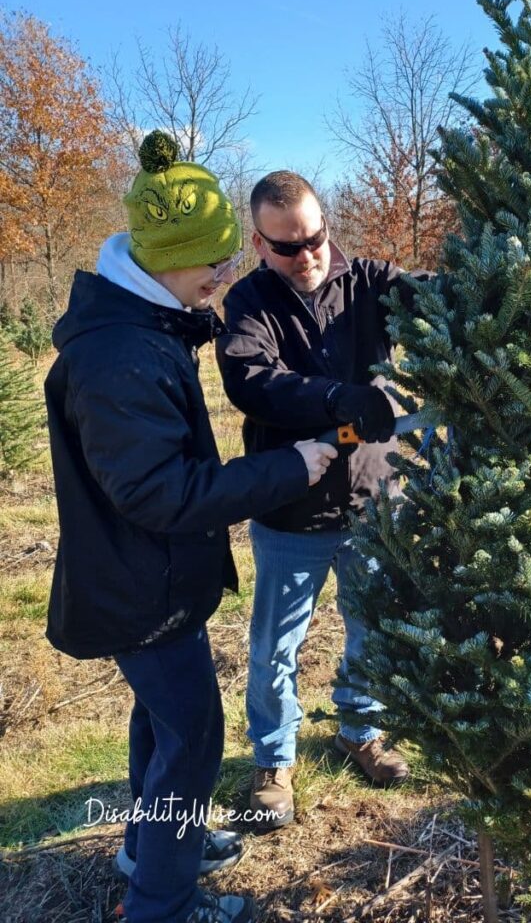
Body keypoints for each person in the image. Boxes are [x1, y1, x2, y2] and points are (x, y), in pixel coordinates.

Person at [45, 134, 337, 923]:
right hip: (142, 589)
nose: (226, 275)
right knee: (193, 743)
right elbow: (160, 491)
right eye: (214, 262)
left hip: (151, 580)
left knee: (163, 724)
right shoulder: (119, 359)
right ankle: (162, 905)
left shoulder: (143, 328)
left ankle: (152, 844)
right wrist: (292, 466)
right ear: (167, 261)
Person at [216, 171, 431, 830]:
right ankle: (274, 759)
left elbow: (441, 302)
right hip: (292, 512)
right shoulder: (247, 304)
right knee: (277, 645)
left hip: (376, 499)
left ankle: (359, 729)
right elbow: (254, 380)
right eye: (287, 246)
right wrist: (335, 399)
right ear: (259, 243)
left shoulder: (370, 281)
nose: (307, 254)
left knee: (371, 624)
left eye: (315, 237)